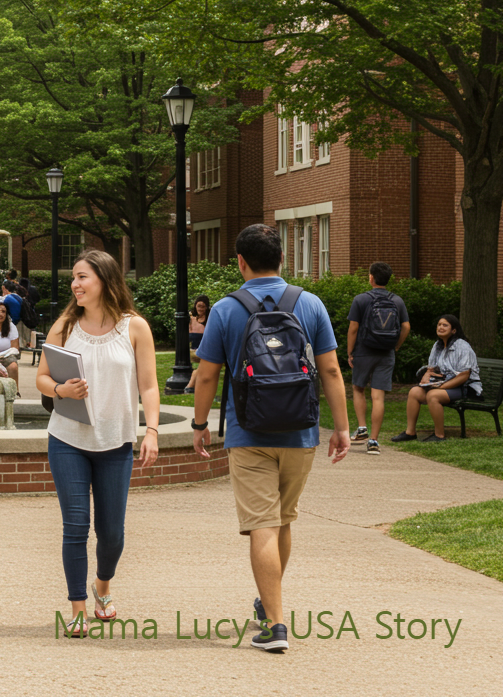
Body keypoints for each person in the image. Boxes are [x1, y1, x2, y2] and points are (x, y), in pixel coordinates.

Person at [191, 224, 349, 654]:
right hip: (300, 431)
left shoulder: (225, 309)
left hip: (248, 433)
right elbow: (332, 371)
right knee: (282, 520)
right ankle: (271, 602)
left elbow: (206, 374)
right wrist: (342, 427)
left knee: (262, 524)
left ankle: (275, 626)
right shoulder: (310, 304)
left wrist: (199, 424)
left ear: (240, 262)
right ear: (282, 259)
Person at [34, 250, 160, 638]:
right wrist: (60, 389)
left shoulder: (135, 327)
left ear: (104, 279)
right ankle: (77, 610)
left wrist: (152, 431)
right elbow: (40, 378)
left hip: (115, 443)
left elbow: (150, 385)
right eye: (74, 277)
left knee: (112, 533)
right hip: (68, 439)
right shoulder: (65, 326)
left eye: (83, 276)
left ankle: (102, 585)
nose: (75, 284)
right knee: (75, 527)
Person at [348, 263, 411, 453]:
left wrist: (350, 352)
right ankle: (374, 441)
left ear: (371, 278)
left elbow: (353, 329)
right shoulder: (397, 301)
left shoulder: (361, 299)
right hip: (386, 353)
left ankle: (362, 428)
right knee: (378, 397)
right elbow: (406, 327)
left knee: (358, 388)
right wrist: (396, 346)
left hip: (364, 350)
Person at [393, 314, 481, 443]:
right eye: (439, 325)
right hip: (444, 384)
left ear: (454, 330)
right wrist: (426, 378)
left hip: (465, 387)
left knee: (433, 395)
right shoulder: (438, 346)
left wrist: (441, 387)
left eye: (445, 325)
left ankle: (439, 435)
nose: (440, 327)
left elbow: (464, 375)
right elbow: (431, 368)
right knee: (414, 392)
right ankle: (410, 432)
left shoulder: (462, 346)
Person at [189, 294, 211, 389]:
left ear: (207, 307)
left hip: (205, 351)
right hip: (193, 351)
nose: (201, 309)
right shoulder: (191, 320)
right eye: (199, 306)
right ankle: (190, 386)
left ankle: (189, 386)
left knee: (201, 368)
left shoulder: (210, 320)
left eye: (203, 306)